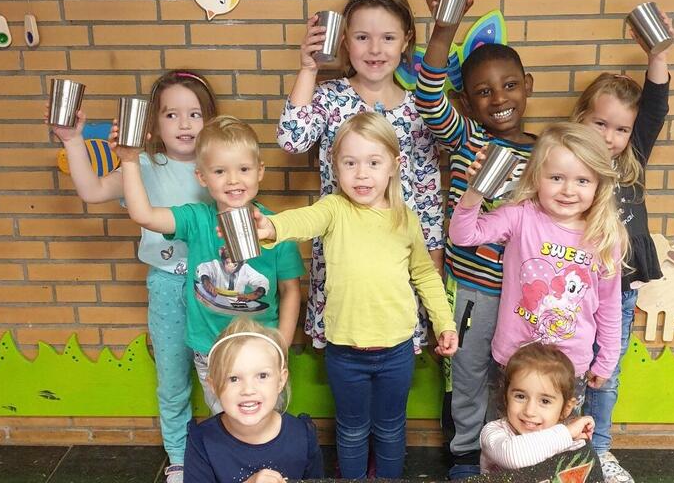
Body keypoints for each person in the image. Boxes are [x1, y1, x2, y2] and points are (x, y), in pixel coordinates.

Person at [255, 112, 458, 478]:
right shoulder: (334, 209)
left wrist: (444, 323)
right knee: (351, 430)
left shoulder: (405, 218)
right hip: (345, 352)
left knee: (391, 428)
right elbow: (303, 220)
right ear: (336, 166)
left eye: (373, 163)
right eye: (350, 163)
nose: (362, 174)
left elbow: (425, 274)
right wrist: (272, 226)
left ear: (394, 165)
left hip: (396, 351)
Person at [47, 70, 218, 483]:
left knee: (221, 376)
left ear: (210, 120)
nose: (184, 124)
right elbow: (91, 191)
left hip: (215, 288)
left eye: (195, 114)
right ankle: (179, 456)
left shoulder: (217, 165)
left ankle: (230, 451)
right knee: (173, 378)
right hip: (167, 286)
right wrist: (73, 140)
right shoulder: (140, 165)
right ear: (154, 123)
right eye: (172, 114)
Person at [414, 0, 536, 478]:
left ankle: (508, 453)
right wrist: (444, 26)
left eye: (509, 86)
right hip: (472, 289)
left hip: (528, 291)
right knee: (467, 372)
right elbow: (428, 97)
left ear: (527, 87)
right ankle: (466, 451)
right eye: (483, 92)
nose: (499, 99)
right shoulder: (466, 138)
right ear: (467, 101)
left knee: (515, 377)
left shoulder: (546, 153)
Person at [278, 0, 444, 353]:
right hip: (343, 258)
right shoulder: (329, 96)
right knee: (346, 349)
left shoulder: (419, 109)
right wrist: (307, 68)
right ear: (345, 42)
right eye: (362, 37)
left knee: (393, 350)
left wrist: (433, 257)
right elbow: (292, 140)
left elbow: (428, 191)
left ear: (406, 41)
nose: (375, 49)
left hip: (396, 258)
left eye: (388, 37)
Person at [114, 115, 304, 417]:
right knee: (225, 423)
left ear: (259, 171)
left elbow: (290, 289)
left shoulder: (277, 229)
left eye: (243, 169)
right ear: (201, 177)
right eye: (219, 171)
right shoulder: (196, 219)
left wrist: (280, 342)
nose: (233, 180)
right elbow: (144, 215)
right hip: (209, 350)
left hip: (261, 351)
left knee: (265, 423)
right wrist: (129, 160)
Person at [449, 122, 627, 431]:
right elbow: (463, 235)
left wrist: (608, 358)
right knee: (504, 436)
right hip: (513, 359)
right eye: (556, 178)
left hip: (569, 367)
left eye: (582, 180)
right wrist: (474, 192)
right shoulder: (520, 215)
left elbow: (609, 305)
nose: (568, 190)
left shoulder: (605, 236)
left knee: (558, 441)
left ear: (599, 183)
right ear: (537, 177)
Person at [572, 11, 674, 483]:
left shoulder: (632, 159)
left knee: (605, 372)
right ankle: (563, 446)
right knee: (569, 367)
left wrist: (658, 53)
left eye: (620, 129)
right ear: (581, 119)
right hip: (574, 287)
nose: (610, 137)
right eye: (600, 123)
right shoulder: (566, 161)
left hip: (622, 288)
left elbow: (655, 107)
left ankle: (600, 450)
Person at [184, 318, 324, 482]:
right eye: (234, 378)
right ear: (213, 386)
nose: (248, 390)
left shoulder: (303, 436)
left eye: (262, 376)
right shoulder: (202, 441)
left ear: (281, 380)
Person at [481, 342, 595, 472]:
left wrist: (579, 440)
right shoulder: (492, 433)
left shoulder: (565, 435)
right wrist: (568, 433)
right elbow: (514, 457)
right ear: (506, 398)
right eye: (520, 396)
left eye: (545, 401)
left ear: (566, 408)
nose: (529, 411)